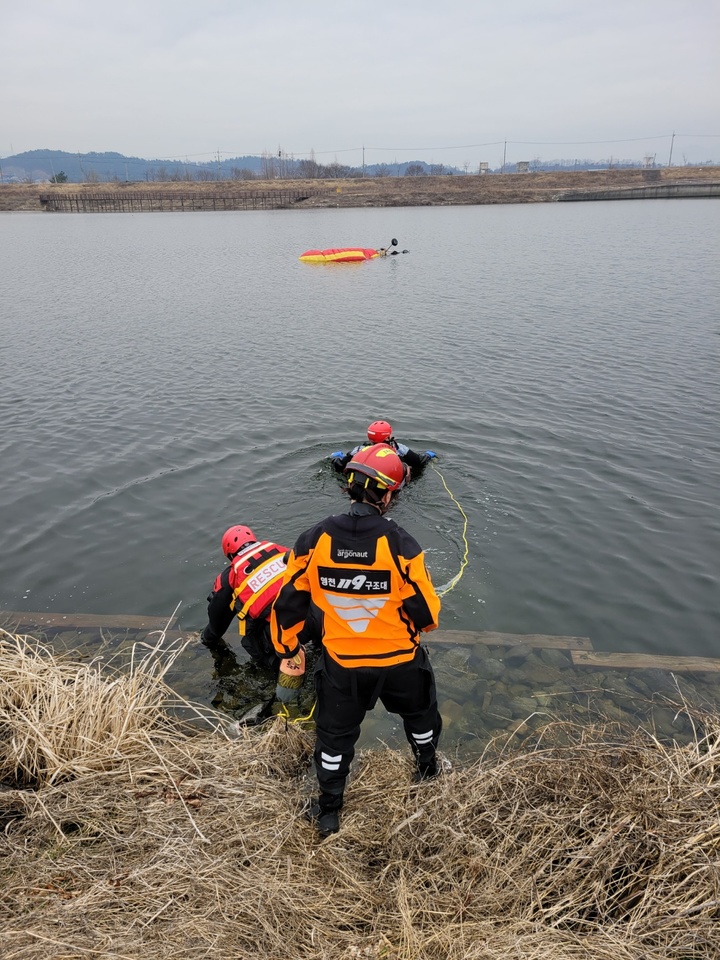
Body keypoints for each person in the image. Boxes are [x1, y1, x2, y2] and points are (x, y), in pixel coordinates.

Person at [271, 443, 443, 837]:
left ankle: (329, 812)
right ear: (388, 494)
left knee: (334, 739)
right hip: (400, 660)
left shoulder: (312, 540)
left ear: (349, 486)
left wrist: (290, 650)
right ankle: (427, 772)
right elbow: (428, 616)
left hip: (342, 664)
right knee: (419, 717)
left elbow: (288, 606)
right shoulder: (402, 545)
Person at [201, 524, 292, 675]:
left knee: (250, 640)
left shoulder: (230, 575)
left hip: (280, 627)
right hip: (313, 612)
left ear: (230, 554)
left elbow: (218, 618)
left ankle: (278, 672)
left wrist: (207, 638)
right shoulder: (278, 549)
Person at [329, 420, 437, 484]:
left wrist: (335, 458)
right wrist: (428, 455)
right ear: (388, 436)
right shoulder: (400, 449)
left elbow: (340, 466)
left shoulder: (359, 450)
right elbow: (419, 461)